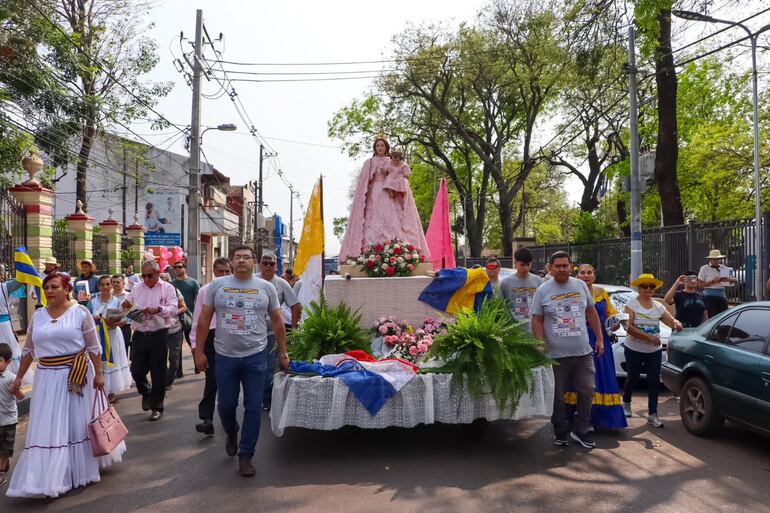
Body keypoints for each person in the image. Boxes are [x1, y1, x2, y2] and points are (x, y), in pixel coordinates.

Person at [7, 272, 125, 498]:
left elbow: (93, 347)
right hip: (46, 377)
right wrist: (19, 377)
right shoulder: (39, 315)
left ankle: (77, 469)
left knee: (75, 422)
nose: (49, 291)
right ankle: (47, 476)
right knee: (49, 425)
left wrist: (99, 375)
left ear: (66, 289)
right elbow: (29, 350)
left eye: (54, 287)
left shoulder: (80, 313)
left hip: (77, 375)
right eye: (46, 287)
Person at [194, 245, 289, 477]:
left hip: (256, 357)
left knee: (253, 407)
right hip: (225, 357)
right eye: (238, 257)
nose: (242, 261)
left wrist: (283, 353)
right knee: (226, 405)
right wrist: (198, 351)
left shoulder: (266, 288)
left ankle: (246, 454)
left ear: (253, 262)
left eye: (247, 257)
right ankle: (231, 430)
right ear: (232, 261)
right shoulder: (217, 286)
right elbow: (204, 320)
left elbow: (278, 322)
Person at [531, 251, 603, 449]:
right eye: (558, 266)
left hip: (583, 353)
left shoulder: (580, 285)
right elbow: (536, 319)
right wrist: (540, 342)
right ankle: (560, 432)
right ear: (550, 268)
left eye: (565, 265)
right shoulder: (543, 290)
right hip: (555, 356)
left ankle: (580, 430)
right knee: (557, 397)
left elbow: (591, 311)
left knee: (588, 391)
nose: (562, 269)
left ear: (571, 267)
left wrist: (599, 338)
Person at [338, 135, 430, 262]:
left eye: (382, 145)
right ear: (375, 148)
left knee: (392, 218)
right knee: (373, 219)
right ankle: (369, 249)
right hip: (374, 193)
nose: (380, 147)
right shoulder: (369, 162)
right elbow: (364, 182)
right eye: (378, 145)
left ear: (386, 147)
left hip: (388, 191)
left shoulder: (391, 161)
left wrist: (399, 181)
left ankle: (395, 246)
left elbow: (400, 171)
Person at [623, 273, 683, 428]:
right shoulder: (631, 304)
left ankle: (652, 414)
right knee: (633, 377)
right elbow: (628, 327)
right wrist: (648, 338)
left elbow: (669, 319)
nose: (648, 289)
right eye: (644, 286)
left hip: (653, 351)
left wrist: (676, 323)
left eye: (651, 286)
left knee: (654, 381)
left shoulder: (658, 306)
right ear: (639, 288)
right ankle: (626, 402)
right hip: (634, 348)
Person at [122, 260, 178, 421]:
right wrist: (125, 304)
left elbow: (174, 309)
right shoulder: (137, 287)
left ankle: (157, 406)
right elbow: (127, 306)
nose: (146, 279)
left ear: (157, 273)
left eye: (149, 276)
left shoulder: (167, 288)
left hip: (159, 334)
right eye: (143, 276)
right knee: (136, 370)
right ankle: (146, 393)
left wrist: (159, 310)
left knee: (158, 372)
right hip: (139, 334)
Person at [573, 263, 627, 430]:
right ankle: (583, 419)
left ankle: (603, 420)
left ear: (594, 276)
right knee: (582, 380)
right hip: (579, 339)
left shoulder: (601, 293)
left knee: (602, 378)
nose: (586, 275)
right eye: (582, 273)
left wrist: (615, 324)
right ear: (577, 276)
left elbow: (611, 314)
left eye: (589, 272)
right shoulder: (572, 292)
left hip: (600, 340)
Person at [190, 257, 232, 435]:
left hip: (231, 338)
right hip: (210, 337)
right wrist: (195, 347)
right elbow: (198, 319)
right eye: (220, 271)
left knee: (229, 383)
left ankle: (229, 421)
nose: (223, 275)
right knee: (212, 380)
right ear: (214, 272)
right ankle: (207, 419)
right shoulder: (205, 291)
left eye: (226, 271)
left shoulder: (237, 290)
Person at [255, 251, 300, 411]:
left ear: (276, 266)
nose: (268, 266)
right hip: (250, 334)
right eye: (265, 263)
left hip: (272, 333)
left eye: (271, 263)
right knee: (253, 368)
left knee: (268, 367)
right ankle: (255, 397)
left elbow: (295, 305)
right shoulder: (251, 280)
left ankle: (266, 401)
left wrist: (294, 328)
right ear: (260, 264)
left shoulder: (281, 284)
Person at [87, 275, 131, 402]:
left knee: (112, 360)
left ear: (111, 285)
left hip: (112, 335)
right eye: (103, 284)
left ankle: (111, 390)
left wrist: (114, 322)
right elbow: (86, 318)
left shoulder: (117, 301)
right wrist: (94, 319)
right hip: (97, 335)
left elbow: (125, 319)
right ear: (99, 286)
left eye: (108, 284)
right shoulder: (93, 301)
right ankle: (100, 387)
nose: (105, 287)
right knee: (100, 360)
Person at [499, 247, 543, 332]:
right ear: (515, 263)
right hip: (513, 329)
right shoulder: (505, 283)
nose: (526, 268)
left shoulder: (538, 281)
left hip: (534, 327)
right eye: (522, 265)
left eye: (528, 265)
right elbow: (501, 306)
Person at [0, 343, 25, 488]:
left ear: (8, 362)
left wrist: (15, 390)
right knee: (2, 449)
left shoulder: (12, 378)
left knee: (4, 448)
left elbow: (21, 397)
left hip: (8, 420)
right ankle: (4, 462)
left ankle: (1, 473)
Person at [159, 273, 188, 389]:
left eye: (164, 281)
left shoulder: (175, 291)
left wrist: (172, 312)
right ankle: (165, 379)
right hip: (158, 330)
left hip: (175, 330)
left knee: (174, 358)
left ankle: (169, 380)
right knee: (160, 357)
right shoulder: (150, 292)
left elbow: (184, 307)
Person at [0, 279, 31, 384]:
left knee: (7, 352)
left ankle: (11, 380)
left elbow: (22, 279)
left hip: (3, 327)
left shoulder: (4, 287)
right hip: (4, 326)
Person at [697, 249, 737, 317]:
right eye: (714, 259)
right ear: (710, 259)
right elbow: (699, 285)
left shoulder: (723, 268)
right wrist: (713, 281)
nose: (717, 261)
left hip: (722, 295)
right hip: (709, 296)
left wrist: (729, 279)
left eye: (718, 259)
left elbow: (735, 280)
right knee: (713, 316)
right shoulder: (704, 268)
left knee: (723, 316)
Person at [171, 261, 199, 348]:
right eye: (175, 267)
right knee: (176, 347)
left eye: (179, 267)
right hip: (176, 317)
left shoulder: (193, 282)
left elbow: (199, 300)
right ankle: (177, 362)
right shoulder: (171, 284)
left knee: (193, 344)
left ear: (185, 269)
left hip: (189, 317)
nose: (177, 269)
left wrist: (197, 315)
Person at [111, 274, 132, 352]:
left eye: (118, 282)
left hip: (125, 326)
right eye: (113, 282)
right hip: (111, 326)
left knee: (123, 349)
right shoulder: (108, 296)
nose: (115, 284)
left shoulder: (129, 296)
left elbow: (134, 312)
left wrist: (125, 320)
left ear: (123, 284)